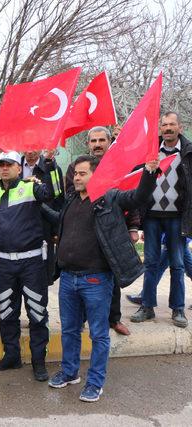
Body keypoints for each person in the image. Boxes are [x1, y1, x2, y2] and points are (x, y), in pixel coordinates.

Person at [48, 155, 158, 402]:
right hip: (67, 279)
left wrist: (149, 173)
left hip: (96, 280)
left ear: (94, 175)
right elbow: (60, 223)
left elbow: (138, 197)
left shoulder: (110, 197)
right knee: (69, 330)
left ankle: (95, 383)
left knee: (98, 334)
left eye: (82, 173)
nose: (76, 177)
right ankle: (69, 372)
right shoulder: (71, 200)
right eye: (75, 173)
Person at [0, 151, 56, 382]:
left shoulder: (32, 189)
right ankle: (11, 356)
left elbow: (53, 193)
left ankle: (38, 361)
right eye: (0, 165)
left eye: (9, 164)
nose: (4, 168)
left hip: (31, 263)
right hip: (3, 265)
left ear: (19, 168)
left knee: (37, 313)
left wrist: (49, 164)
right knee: (7, 312)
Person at [66, 126, 137, 336]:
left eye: (101, 140)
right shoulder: (77, 166)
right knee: (84, 280)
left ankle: (114, 319)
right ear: (88, 144)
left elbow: (130, 196)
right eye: (93, 141)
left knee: (112, 277)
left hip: (113, 230)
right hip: (86, 231)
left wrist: (133, 227)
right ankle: (80, 320)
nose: (97, 144)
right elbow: (71, 194)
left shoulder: (120, 164)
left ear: (108, 142)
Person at [131, 112, 192, 328]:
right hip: (151, 216)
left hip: (177, 217)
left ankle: (178, 310)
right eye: (164, 124)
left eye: (172, 124)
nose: (167, 128)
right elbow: (134, 178)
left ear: (180, 127)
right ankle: (147, 307)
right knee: (151, 263)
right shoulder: (149, 152)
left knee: (177, 264)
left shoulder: (188, 152)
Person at [20, 149, 64, 289]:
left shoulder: (52, 168)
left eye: (34, 146)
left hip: (44, 226)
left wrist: (57, 230)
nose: (31, 151)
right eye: (27, 146)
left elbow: (59, 199)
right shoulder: (14, 165)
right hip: (18, 226)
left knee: (42, 276)